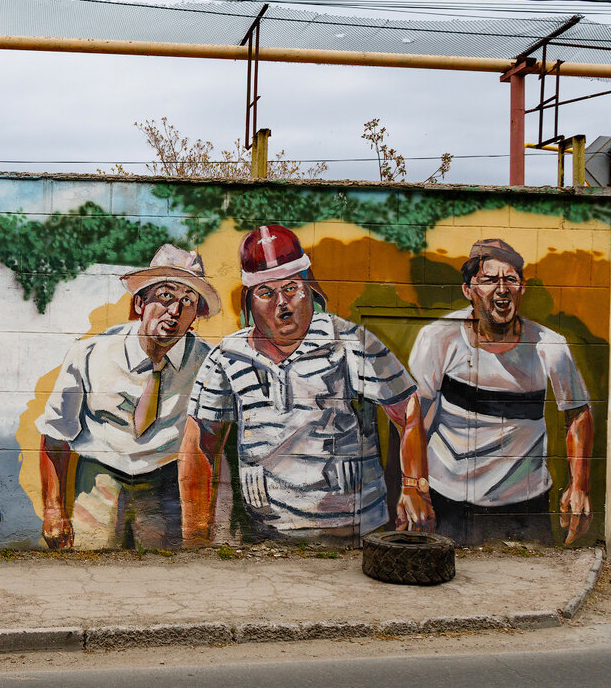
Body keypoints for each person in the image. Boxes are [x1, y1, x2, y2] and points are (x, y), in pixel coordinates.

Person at [179, 224, 433, 546]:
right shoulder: (226, 358)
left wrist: (414, 486)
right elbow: (201, 445)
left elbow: (407, 408)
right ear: (249, 301)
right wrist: (196, 535)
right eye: (266, 293)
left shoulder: (351, 342)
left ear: (310, 287)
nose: (282, 303)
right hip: (266, 538)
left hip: (355, 535)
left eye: (291, 288)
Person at [408, 238, 593, 545]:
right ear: (468, 290)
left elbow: (578, 414)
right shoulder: (439, 338)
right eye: (489, 280)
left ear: (522, 288)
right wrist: (412, 486)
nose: (502, 288)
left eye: (510, 279)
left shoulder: (550, 346)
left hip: (526, 505)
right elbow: (415, 416)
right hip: (449, 500)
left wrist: (580, 485)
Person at [37, 244, 220, 549]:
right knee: (91, 568)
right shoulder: (90, 354)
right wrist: (53, 510)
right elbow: (56, 434)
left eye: (188, 301)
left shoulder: (206, 363)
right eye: (165, 296)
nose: (174, 311)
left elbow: (212, 442)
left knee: (162, 577)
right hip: (98, 481)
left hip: (166, 484)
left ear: (195, 315)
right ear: (139, 303)